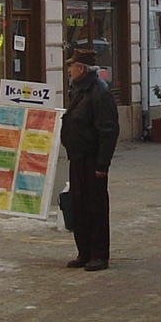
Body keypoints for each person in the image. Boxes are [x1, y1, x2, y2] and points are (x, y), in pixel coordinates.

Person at [61, 46, 119, 271]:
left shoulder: (99, 91)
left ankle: (99, 255)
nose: (69, 70)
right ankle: (83, 252)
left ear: (82, 68)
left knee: (95, 207)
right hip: (77, 157)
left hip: (92, 159)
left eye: (72, 66)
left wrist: (102, 164)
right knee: (78, 205)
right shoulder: (80, 89)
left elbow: (108, 129)